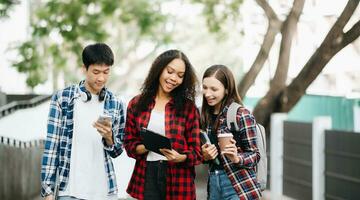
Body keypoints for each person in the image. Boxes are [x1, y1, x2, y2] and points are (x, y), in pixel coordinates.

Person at [41, 43, 125, 200]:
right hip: (70, 191)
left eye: (106, 72)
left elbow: (117, 151)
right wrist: (48, 191)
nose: (101, 78)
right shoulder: (63, 98)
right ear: (84, 69)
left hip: (105, 191)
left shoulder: (116, 104)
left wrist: (109, 137)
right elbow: (52, 146)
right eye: (96, 72)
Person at [124, 49, 201, 200]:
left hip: (179, 179)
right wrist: (149, 144)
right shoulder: (137, 104)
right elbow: (129, 145)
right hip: (147, 175)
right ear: (159, 69)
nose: (174, 78)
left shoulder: (188, 108)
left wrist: (181, 157)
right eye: (170, 71)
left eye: (180, 75)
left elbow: (197, 152)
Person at [200, 65, 262, 200]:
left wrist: (236, 158)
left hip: (238, 184)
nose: (207, 94)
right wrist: (205, 156)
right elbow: (205, 156)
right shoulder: (205, 115)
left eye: (214, 89)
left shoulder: (241, 114)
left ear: (227, 89)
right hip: (213, 183)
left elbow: (255, 155)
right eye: (205, 87)